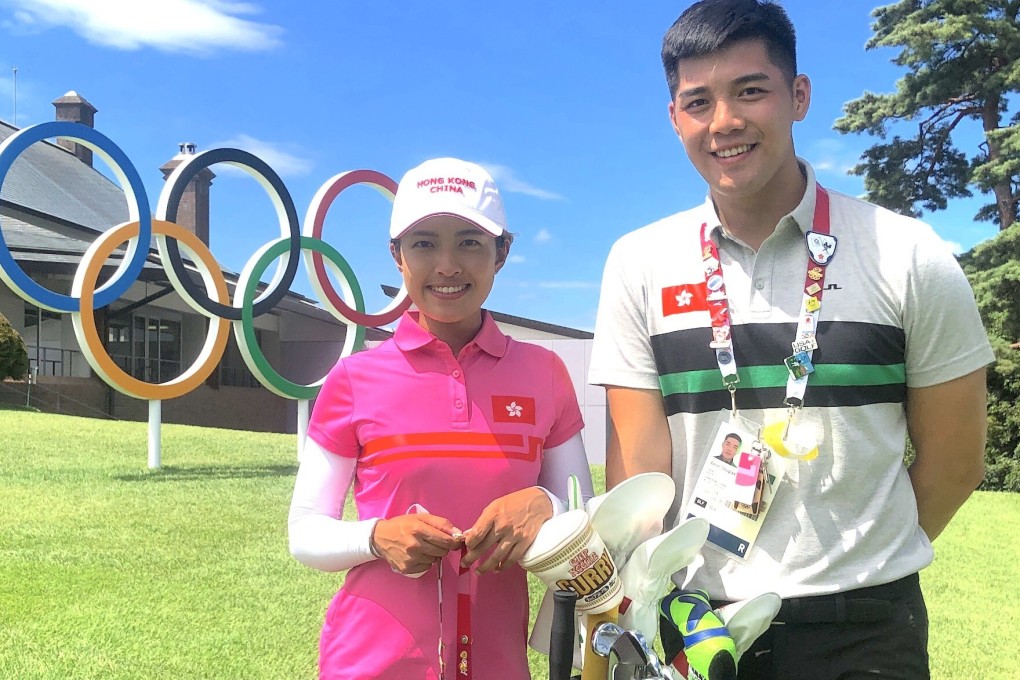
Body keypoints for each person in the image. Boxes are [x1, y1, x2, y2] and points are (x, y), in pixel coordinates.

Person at [588, 2, 994, 678]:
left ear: (798, 96)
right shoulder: (638, 264)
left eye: (751, 90)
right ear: (673, 119)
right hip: (695, 621)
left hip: (866, 627)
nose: (724, 122)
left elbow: (956, 462)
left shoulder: (908, 253)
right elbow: (641, 476)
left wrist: (856, 564)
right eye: (698, 101)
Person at [289, 157, 594, 679]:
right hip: (371, 663)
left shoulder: (545, 373)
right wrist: (376, 537)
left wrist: (544, 502)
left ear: (502, 252)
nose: (448, 265)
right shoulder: (353, 378)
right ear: (397, 257)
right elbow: (304, 533)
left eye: (470, 241)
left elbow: (584, 513)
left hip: (498, 662)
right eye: (424, 243)